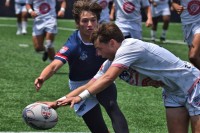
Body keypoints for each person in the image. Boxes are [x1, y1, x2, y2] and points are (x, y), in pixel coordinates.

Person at [43, 22, 200, 133]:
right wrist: (55, 104)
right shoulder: (110, 62)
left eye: (99, 48)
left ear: (112, 43)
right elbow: (87, 85)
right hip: (173, 93)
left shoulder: (129, 47)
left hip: (192, 85)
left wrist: (81, 98)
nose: (98, 53)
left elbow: (107, 79)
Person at [34, 1, 129, 133]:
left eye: (93, 20)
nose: (90, 25)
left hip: (102, 79)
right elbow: (55, 65)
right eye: (85, 21)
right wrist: (42, 77)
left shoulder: (107, 37)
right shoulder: (74, 44)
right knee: (98, 129)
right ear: (77, 23)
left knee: (112, 106)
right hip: (79, 85)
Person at [171, 0, 200, 70]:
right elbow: (174, 2)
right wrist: (176, 7)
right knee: (196, 60)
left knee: (193, 57)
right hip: (187, 25)